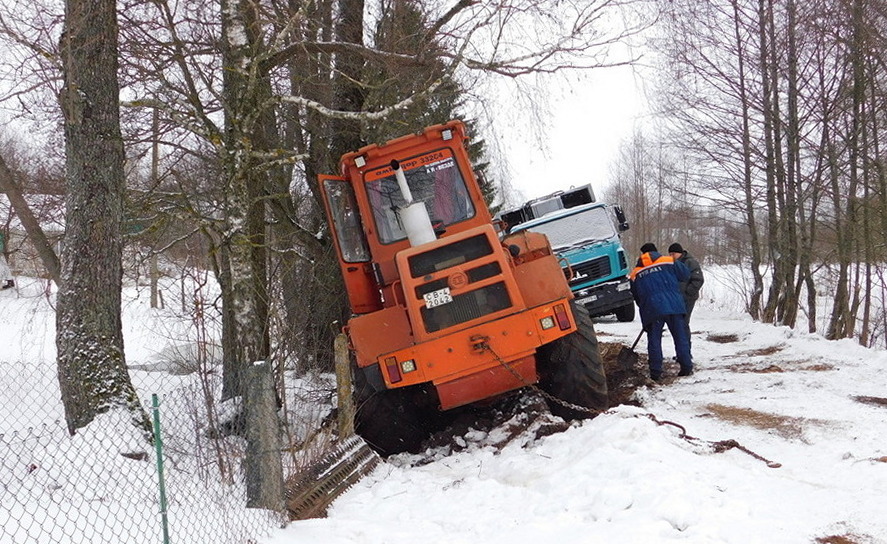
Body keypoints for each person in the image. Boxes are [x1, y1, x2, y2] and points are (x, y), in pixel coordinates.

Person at [630, 242, 692, 381]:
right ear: (656, 251)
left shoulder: (635, 273)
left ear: (642, 254)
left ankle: (656, 372)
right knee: (680, 336)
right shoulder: (669, 261)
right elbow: (685, 275)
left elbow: (636, 296)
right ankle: (686, 367)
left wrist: (645, 307)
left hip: (652, 309)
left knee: (654, 340)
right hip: (674, 305)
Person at [668, 242, 704, 345]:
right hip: (676, 298)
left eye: (673, 254)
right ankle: (681, 350)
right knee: (677, 324)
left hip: (688, 298)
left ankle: (686, 349)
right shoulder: (672, 264)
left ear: (679, 253)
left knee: (683, 323)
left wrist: (688, 292)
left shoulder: (690, 262)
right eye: (670, 254)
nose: (671, 256)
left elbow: (698, 280)